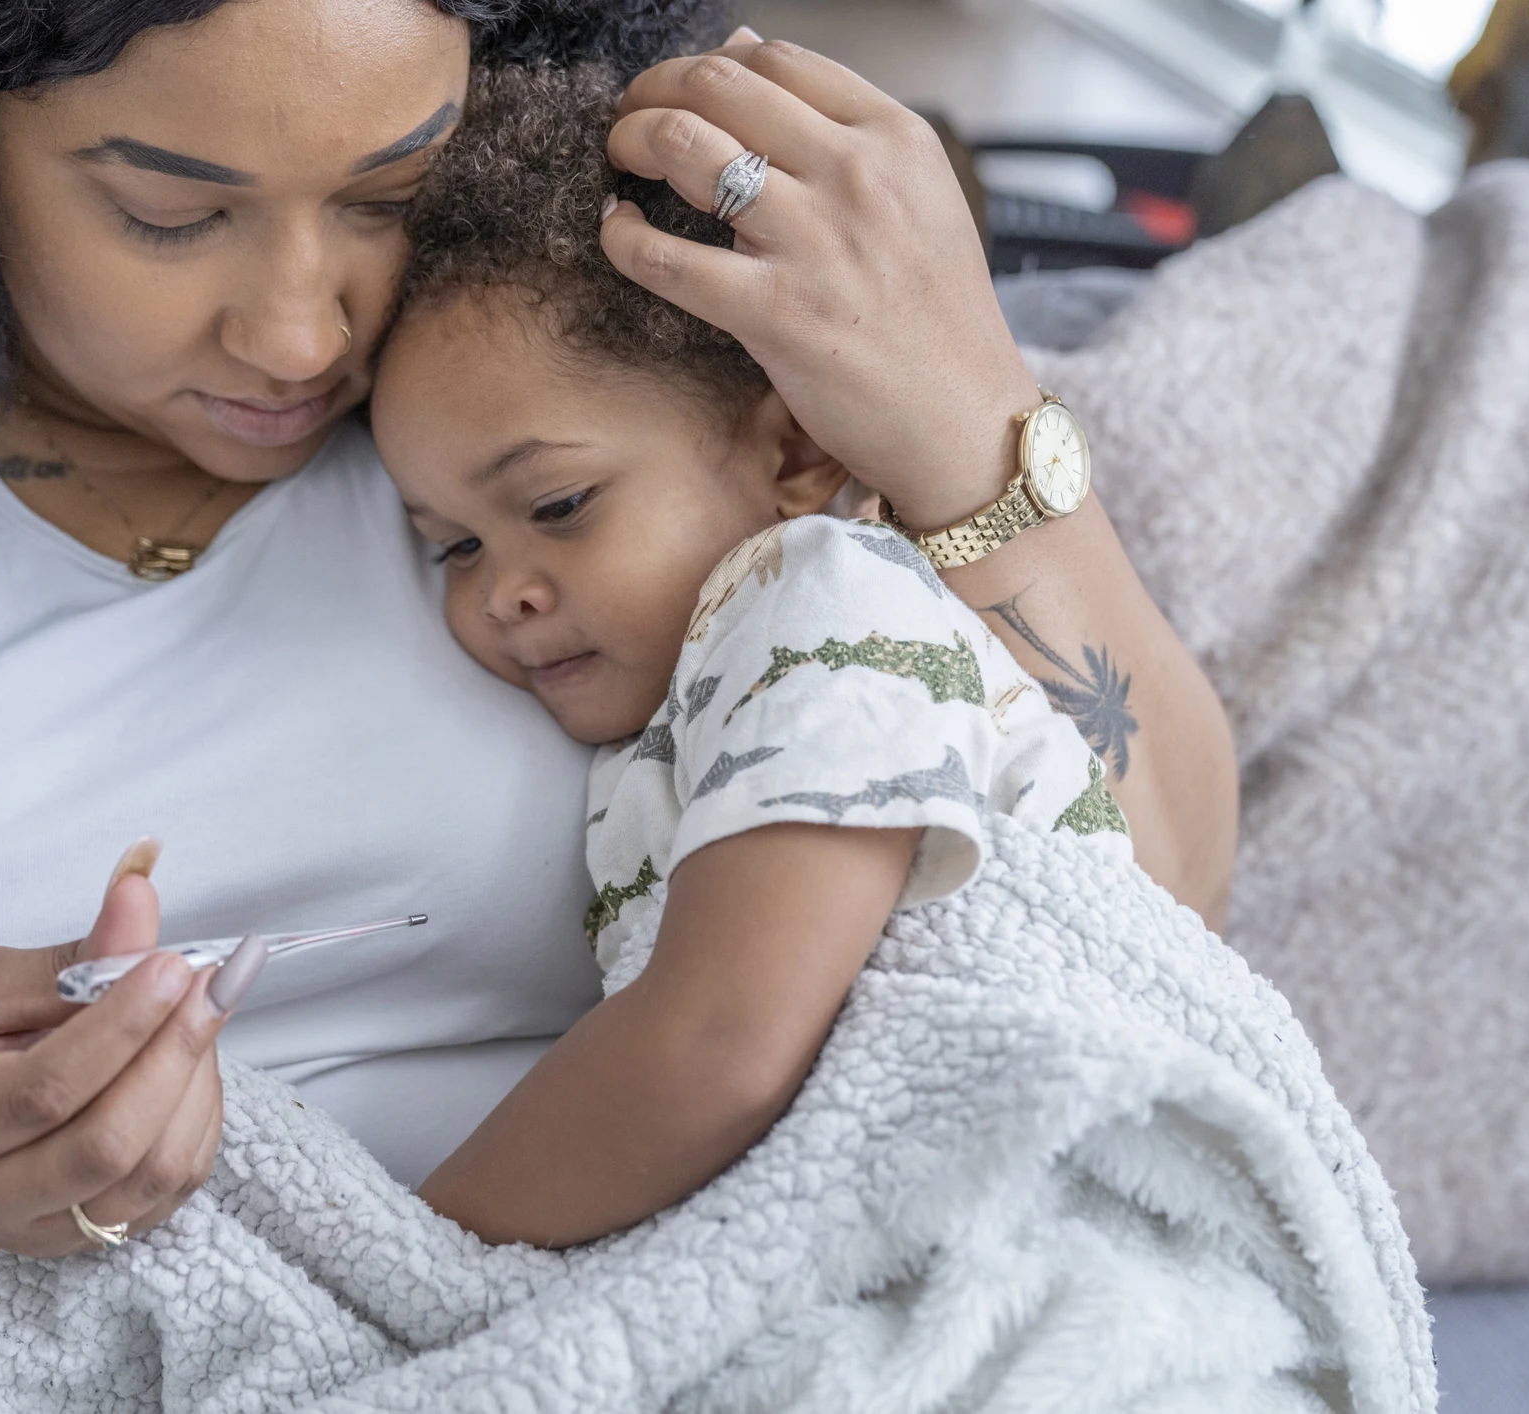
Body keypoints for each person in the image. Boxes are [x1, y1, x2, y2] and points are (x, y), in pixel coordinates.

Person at [0, 0, 1236, 1408]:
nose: (300, 333)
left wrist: (969, 416)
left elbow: (1133, 929)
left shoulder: (580, 363)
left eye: (390, 190)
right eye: (169, 210)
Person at [367, 64, 1133, 1247]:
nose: (503, 592)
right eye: (453, 545)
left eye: (560, 503)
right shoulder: (684, 698)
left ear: (791, 458)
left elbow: (721, 1047)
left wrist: (405, 1259)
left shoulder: (819, 604)